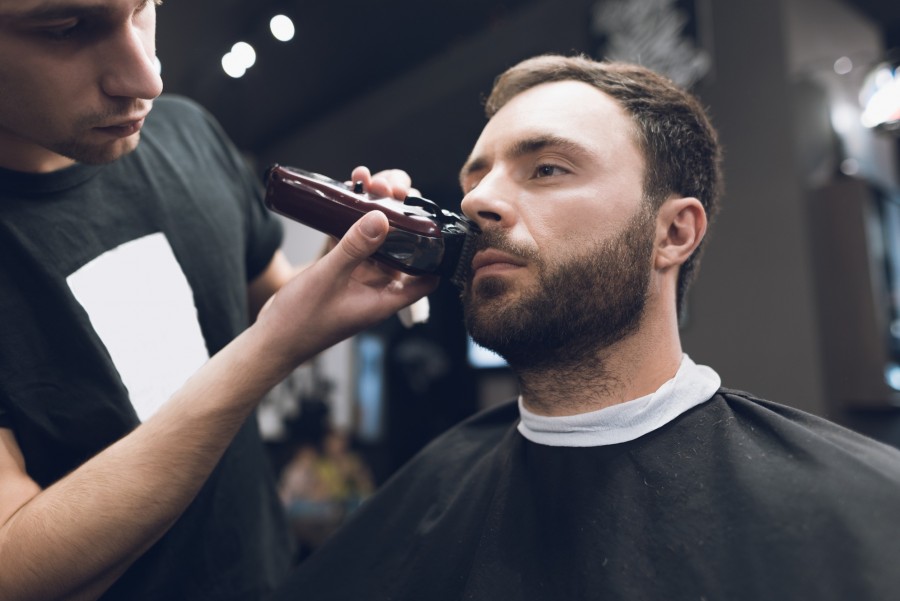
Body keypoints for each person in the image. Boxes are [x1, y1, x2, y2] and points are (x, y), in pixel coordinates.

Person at [269, 54, 900, 600]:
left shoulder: (867, 515)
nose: (475, 201)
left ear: (673, 232)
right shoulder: (424, 496)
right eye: (475, 176)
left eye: (546, 169)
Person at [0, 1, 436, 600]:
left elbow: (269, 311)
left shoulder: (187, 134)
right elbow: (16, 566)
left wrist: (337, 276)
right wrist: (267, 349)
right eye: (66, 29)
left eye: (144, 9)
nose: (147, 77)